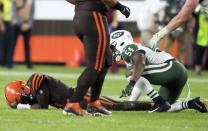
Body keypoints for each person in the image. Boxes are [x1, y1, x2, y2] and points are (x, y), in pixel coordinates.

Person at [110, 30, 208, 113]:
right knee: (167, 107)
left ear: (120, 43)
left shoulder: (128, 49)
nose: (113, 51)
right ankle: (193, 103)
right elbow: (139, 84)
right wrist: (130, 103)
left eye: (113, 47)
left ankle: (159, 102)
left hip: (171, 68)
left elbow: (140, 62)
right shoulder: (134, 49)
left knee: (131, 73)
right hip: (178, 73)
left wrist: (130, 84)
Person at [64, 0, 130, 116]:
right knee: (95, 65)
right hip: (93, 16)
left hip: (82, 16)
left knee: (105, 60)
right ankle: (73, 103)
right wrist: (120, 6)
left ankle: (94, 102)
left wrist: (81, 3)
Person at [4, 73, 153, 113]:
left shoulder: (37, 80)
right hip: (79, 103)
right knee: (117, 106)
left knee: (117, 106)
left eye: (19, 100)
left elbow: (42, 106)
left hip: (84, 99)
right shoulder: (32, 91)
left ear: (22, 92)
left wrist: (20, 107)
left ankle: (152, 105)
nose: (21, 103)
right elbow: (34, 102)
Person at [10, 0, 34, 69]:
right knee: (13, 44)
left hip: (27, 26)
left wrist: (28, 24)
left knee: (27, 45)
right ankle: (10, 63)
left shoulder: (31, 1)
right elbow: (14, 13)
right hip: (17, 25)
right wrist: (21, 23)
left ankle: (28, 64)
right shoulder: (15, 1)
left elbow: (32, 13)